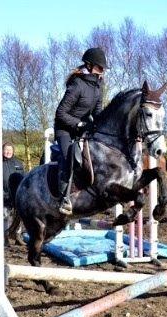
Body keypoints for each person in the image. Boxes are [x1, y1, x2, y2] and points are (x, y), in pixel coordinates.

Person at [53, 47, 107, 215]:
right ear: (89, 66)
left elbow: (98, 111)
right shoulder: (77, 84)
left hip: (83, 128)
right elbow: (60, 113)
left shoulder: (98, 86)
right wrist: (78, 124)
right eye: (100, 67)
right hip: (65, 129)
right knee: (71, 158)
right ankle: (64, 198)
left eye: (103, 68)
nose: (103, 71)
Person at [1, 142, 25, 209]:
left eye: (10, 150)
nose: (8, 152)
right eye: (6, 150)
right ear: (2, 151)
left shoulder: (19, 163)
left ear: (13, 151)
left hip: (16, 196)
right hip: (1, 197)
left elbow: (23, 178)